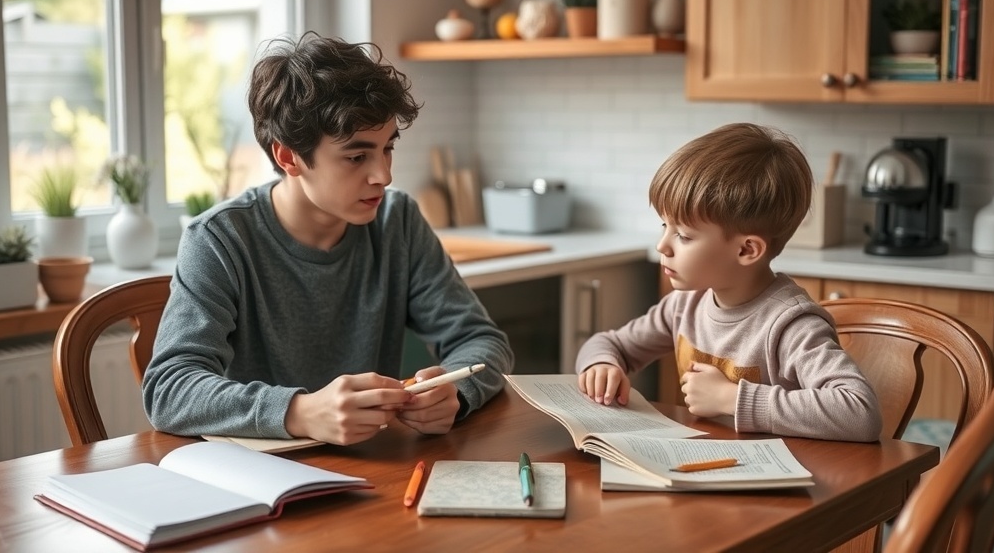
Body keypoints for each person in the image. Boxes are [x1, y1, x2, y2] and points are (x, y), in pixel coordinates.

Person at [142, 32, 514, 446]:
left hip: (373, 476)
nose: (383, 175)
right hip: (258, 481)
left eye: (387, 148)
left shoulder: (398, 221)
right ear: (288, 157)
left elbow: (481, 341)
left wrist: (454, 392)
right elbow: (168, 390)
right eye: (357, 157)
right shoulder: (219, 240)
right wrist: (300, 412)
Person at [575, 123, 882, 442]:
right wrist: (602, 365)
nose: (662, 245)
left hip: (780, 483)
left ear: (747, 249)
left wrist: (731, 399)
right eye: (664, 226)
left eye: (683, 235)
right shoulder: (685, 305)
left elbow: (860, 412)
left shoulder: (791, 326)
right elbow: (610, 344)